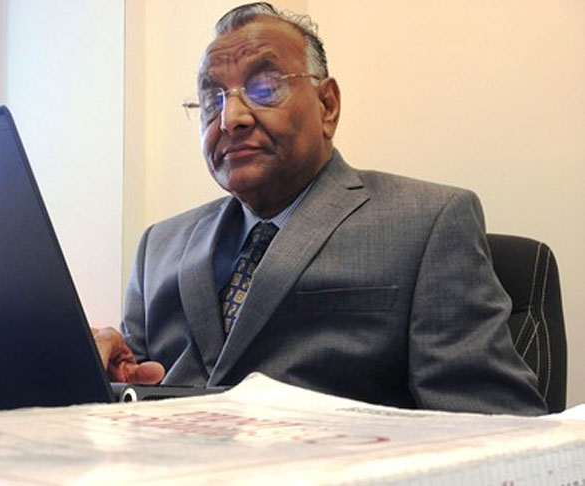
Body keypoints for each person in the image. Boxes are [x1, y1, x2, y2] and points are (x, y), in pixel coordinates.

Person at [93, 2, 547, 415]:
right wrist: (109, 373)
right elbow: (131, 396)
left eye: (264, 87)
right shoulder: (159, 246)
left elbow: (494, 426)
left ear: (327, 105)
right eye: (213, 99)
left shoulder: (428, 222)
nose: (231, 118)